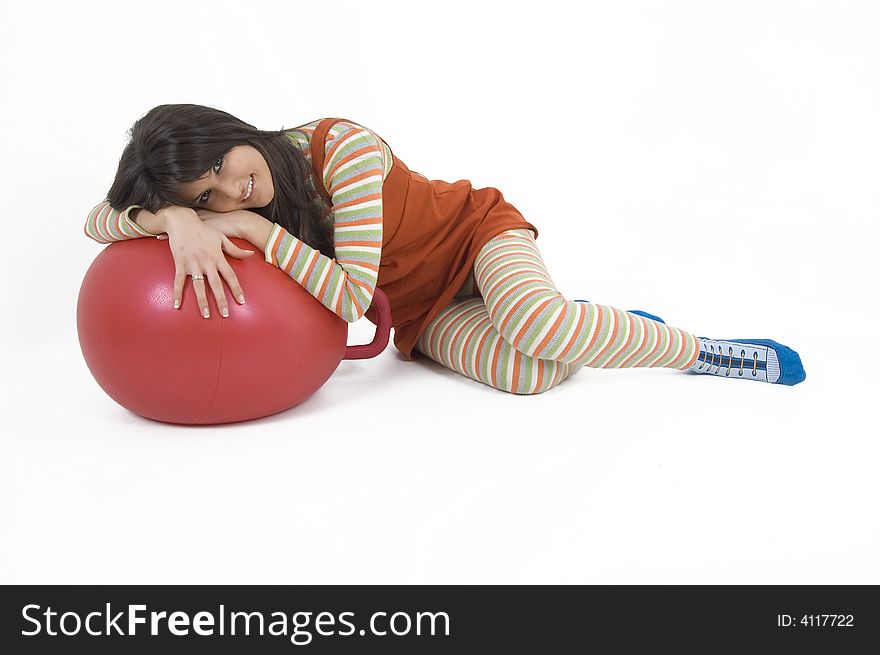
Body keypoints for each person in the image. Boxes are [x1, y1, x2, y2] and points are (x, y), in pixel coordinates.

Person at [84, 104, 805, 395]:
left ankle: (695, 349)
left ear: (231, 128)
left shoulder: (342, 150)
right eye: (206, 196)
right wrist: (171, 222)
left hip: (474, 237)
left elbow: (349, 299)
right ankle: (598, 323)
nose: (234, 188)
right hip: (425, 310)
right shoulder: (207, 208)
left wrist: (251, 230)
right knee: (533, 375)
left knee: (537, 326)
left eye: (222, 163)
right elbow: (96, 222)